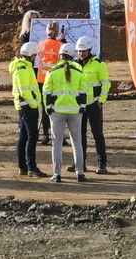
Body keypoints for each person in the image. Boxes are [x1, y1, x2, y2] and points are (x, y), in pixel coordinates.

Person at [42, 44, 87, 183]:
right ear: (72, 56)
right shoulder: (79, 72)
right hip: (75, 112)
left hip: (57, 113)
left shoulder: (51, 72)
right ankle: (80, 173)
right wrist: (82, 107)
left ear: (59, 56)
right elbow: (83, 93)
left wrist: (48, 108)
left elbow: (46, 93)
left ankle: (57, 174)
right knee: (77, 143)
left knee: (56, 143)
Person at [10, 42, 47, 177]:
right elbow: (24, 91)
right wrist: (34, 104)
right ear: (31, 55)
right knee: (32, 137)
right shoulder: (23, 69)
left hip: (24, 106)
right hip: (27, 107)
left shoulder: (24, 67)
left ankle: (24, 167)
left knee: (24, 136)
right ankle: (31, 167)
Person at [76, 35, 111, 175]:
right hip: (79, 106)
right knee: (79, 135)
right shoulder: (74, 65)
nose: (80, 53)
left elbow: (106, 83)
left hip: (94, 105)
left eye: (83, 51)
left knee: (97, 134)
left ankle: (102, 163)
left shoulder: (99, 64)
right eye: (79, 51)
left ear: (89, 50)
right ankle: (80, 163)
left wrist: (101, 100)